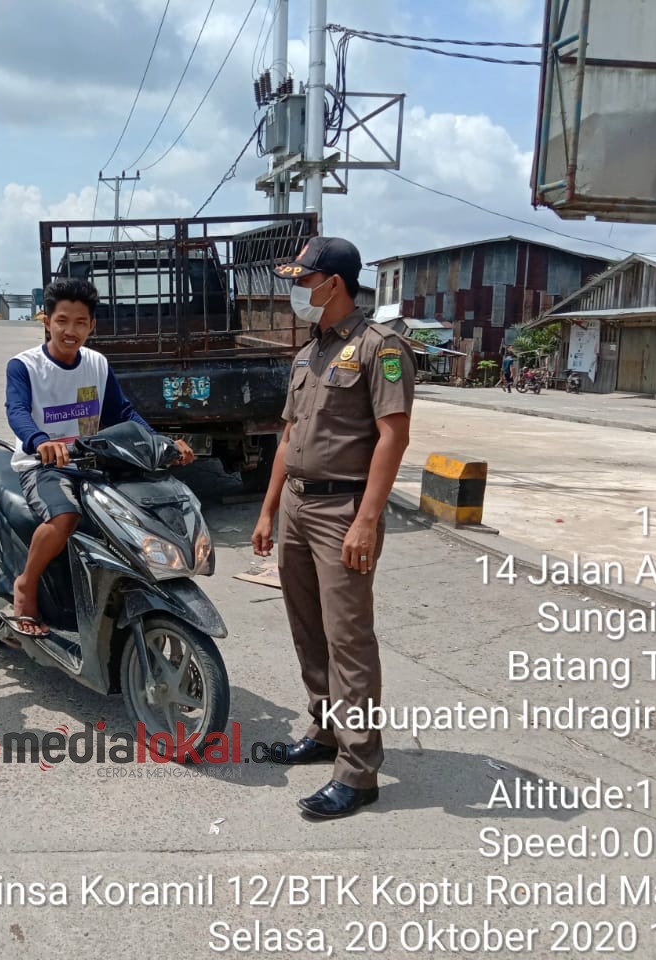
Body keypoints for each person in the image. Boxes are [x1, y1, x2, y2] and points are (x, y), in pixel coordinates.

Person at [250, 236, 414, 820]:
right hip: (297, 504)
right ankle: (325, 732)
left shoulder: (380, 348)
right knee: (308, 630)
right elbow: (288, 438)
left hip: (342, 510)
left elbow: (393, 435)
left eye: (303, 282)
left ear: (333, 284)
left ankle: (359, 771)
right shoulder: (309, 353)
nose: (297, 293)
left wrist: (367, 520)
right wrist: (269, 509)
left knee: (349, 641)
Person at [4, 277, 194, 640]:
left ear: (92, 326)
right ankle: (26, 585)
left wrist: (161, 443)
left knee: (132, 515)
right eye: (62, 321)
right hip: (43, 465)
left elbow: (122, 412)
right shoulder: (24, 366)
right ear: (46, 320)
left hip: (92, 462)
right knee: (65, 516)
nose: (69, 330)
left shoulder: (97, 364)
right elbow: (16, 411)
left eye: (79, 322)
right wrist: (40, 440)